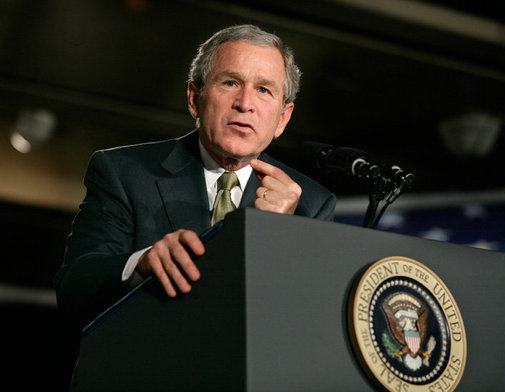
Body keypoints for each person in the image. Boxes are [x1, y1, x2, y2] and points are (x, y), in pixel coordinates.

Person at [55, 24, 336, 329]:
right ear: (194, 98)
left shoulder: (310, 204)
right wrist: (142, 263)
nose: (245, 103)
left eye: (264, 90)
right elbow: (76, 288)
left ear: (282, 118)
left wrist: (282, 236)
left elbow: (308, 321)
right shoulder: (122, 171)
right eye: (230, 83)